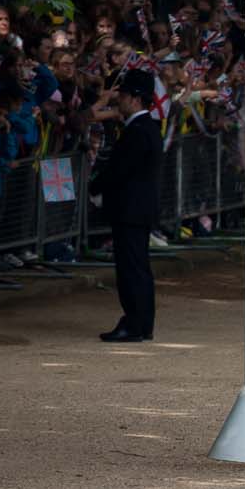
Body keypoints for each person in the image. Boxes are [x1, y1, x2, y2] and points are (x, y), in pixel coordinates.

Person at [96, 69, 162, 343]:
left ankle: (134, 323)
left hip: (130, 209)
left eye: (123, 95)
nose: (119, 99)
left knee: (131, 269)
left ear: (135, 99)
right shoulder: (147, 128)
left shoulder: (138, 130)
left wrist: (96, 187)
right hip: (138, 209)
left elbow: (120, 170)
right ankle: (141, 322)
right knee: (138, 267)